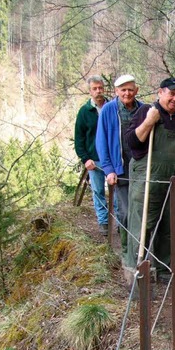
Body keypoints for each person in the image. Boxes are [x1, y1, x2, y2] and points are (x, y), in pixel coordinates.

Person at [124, 78, 175, 281]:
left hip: (173, 182)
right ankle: (135, 269)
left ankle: (164, 268)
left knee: (168, 226)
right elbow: (132, 141)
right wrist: (149, 122)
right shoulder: (146, 111)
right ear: (161, 92)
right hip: (148, 179)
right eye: (172, 93)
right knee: (143, 224)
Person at [96, 74, 142, 255]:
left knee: (141, 210)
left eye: (130, 89)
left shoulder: (143, 109)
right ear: (116, 91)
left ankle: (141, 250)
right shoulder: (108, 110)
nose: (127, 93)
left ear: (136, 91)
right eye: (123, 90)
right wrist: (108, 169)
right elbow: (101, 141)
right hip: (120, 168)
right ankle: (127, 250)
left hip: (140, 168)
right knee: (125, 212)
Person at [74, 75, 109, 236]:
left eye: (100, 88)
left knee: (117, 191)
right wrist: (85, 158)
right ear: (90, 91)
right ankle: (103, 222)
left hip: (112, 157)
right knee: (98, 191)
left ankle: (119, 223)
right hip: (94, 158)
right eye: (95, 88)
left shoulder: (112, 107)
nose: (98, 91)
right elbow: (79, 138)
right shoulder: (84, 111)